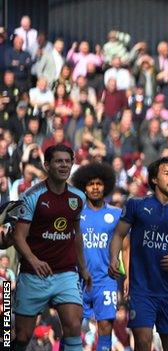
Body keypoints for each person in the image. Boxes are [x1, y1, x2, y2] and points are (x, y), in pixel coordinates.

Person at [108, 156, 168, 351]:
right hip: (142, 290)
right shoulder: (136, 205)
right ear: (153, 179)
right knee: (143, 343)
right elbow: (118, 234)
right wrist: (113, 260)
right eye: (166, 173)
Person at [13, 144, 91, 351]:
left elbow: (77, 235)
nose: (64, 165)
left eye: (68, 161)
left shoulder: (78, 198)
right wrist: (34, 260)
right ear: (47, 165)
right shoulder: (31, 196)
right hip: (33, 274)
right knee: (21, 336)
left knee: (74, 326)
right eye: (59, 161)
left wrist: (83, 268)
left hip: (66, 273)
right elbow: (18, 236)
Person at [70, 162, 121, 351]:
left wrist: (126, 277)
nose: (95, 187)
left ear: (105, 186)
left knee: (106, 326)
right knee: (71, 328)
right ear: (84, 186)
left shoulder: (116, 214)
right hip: (77, 280)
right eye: (91, 184)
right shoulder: (75, 213)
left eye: (98, 184)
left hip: (106, 279)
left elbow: (125, 246)